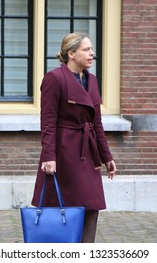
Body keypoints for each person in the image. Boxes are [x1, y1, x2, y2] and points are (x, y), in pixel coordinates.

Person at [31, 32, 116, 243]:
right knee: (64, 209)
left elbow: (97, 123)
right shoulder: (54, 79)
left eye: (92, 49)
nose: (92, 54)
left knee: (91, 208)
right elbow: (48, 121)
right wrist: (49, 156)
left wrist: (107, 157)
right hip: (63, 152)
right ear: (71, 53)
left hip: (88, 153)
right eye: (86, 50)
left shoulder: (92, 80)